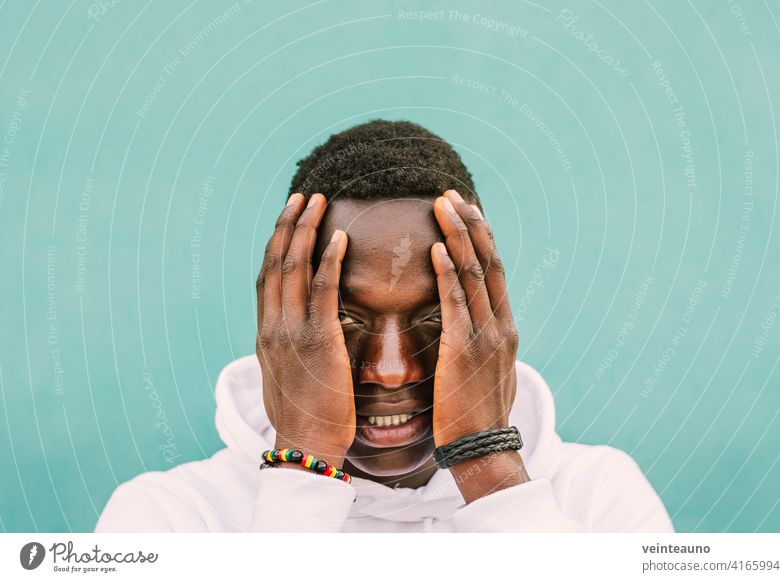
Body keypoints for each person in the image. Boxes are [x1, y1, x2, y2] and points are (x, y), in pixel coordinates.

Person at [96, 120, 673, 532]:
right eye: (344, 317)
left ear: (491, 323)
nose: (393, 369)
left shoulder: (597, 498)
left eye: (433, 317)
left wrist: (486, 463)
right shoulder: (168, 518)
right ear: (279, 325)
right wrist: (303, 466)